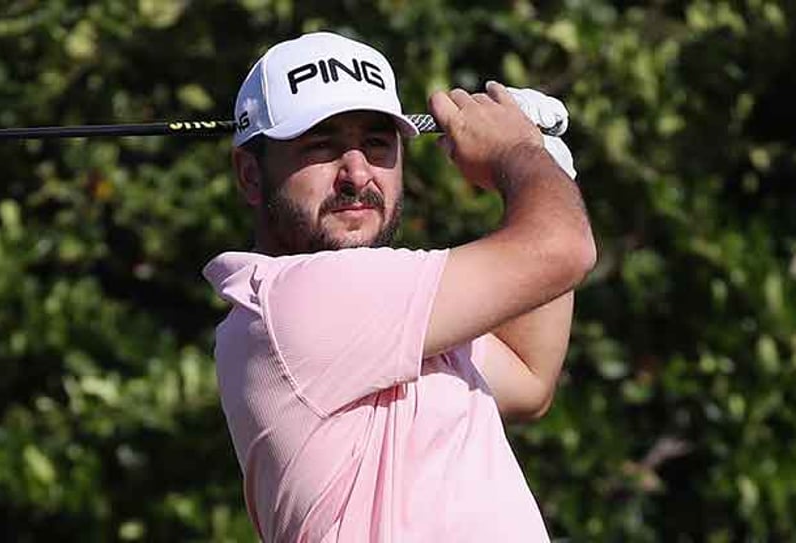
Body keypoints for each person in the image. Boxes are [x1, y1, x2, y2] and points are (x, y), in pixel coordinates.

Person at [202, 31, 596, 542]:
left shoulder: (395, 320)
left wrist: (549, 161)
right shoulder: (295, 299)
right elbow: (565, 248)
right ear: (250, 175)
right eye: (321, 146)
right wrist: (518, 153)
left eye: (376, 143)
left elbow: (528, 376)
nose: (356, 173)